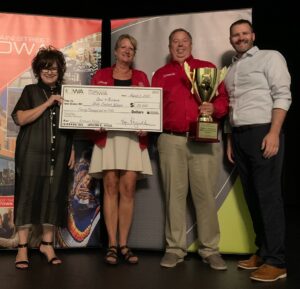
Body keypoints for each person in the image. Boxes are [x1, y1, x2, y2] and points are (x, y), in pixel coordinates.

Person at [152, 28, 228, 269]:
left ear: (191, 44)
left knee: (204, 195)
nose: (180, 45)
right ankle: (175, 248)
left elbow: (223, 100)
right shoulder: (161, 74)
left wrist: (213, 110)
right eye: (175, 42)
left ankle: (210, 249)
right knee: (173, 197)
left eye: (184, 41)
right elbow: (152, 108)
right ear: (169, 47)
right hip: (170, 140)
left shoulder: (206, 68)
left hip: (202, 140)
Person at [224, 19, 291, 282]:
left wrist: (274, 132)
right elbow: (231, 107)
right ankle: (262, 252)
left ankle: (277, 262)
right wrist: (230, 140)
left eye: (244, 33)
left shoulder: (270, 57)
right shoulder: (230, 70)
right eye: (235, 35)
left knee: (268, 197)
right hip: (239, 137)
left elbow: (282, 94)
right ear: (231, 40)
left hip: (263, 132)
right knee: (252, 198)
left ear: (252, 35)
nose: (240, 38)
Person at [89, 34, 153, 265]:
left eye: (131, 48)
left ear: (134, 54)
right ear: (115, 51)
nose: (127, 51)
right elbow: (91, 107)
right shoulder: (101, 76)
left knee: (127, 190)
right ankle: (112, 245)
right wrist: (94, 120)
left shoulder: (142, 77)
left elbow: (149, 110)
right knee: (110, 187)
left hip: (132, 141)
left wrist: (147, 127)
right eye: (123, 47)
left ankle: (124, 244)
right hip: (109, 139)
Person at [11, 46, 75, 269]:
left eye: (54, 68)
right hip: (31, 152)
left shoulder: (68, 93)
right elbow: (19, 118)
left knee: (54, 194)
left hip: (60, 153)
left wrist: (72, 149)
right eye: (45, 68)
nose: (50, 72)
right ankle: (22, 249)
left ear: (60, 70)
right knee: (27, 195)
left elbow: (71, 126)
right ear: (39, 70)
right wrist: (48, 103)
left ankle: (47, 244)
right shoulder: (30, 91)